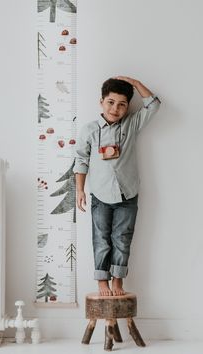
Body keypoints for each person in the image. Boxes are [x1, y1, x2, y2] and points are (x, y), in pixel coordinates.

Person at [73, 76, 161, 296]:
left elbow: (154, 104)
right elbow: (81, 160)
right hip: (100, 196)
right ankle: (102, 282)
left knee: (122, 239)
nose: (115, 108)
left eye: (122, 104)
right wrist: (79, 189)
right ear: (101, 101)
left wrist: (135, 82)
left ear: (128, 106)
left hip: (128, 194)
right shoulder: (89, 130)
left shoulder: (132, 123)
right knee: (101, 239)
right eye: (111, 102)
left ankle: (118, 282)